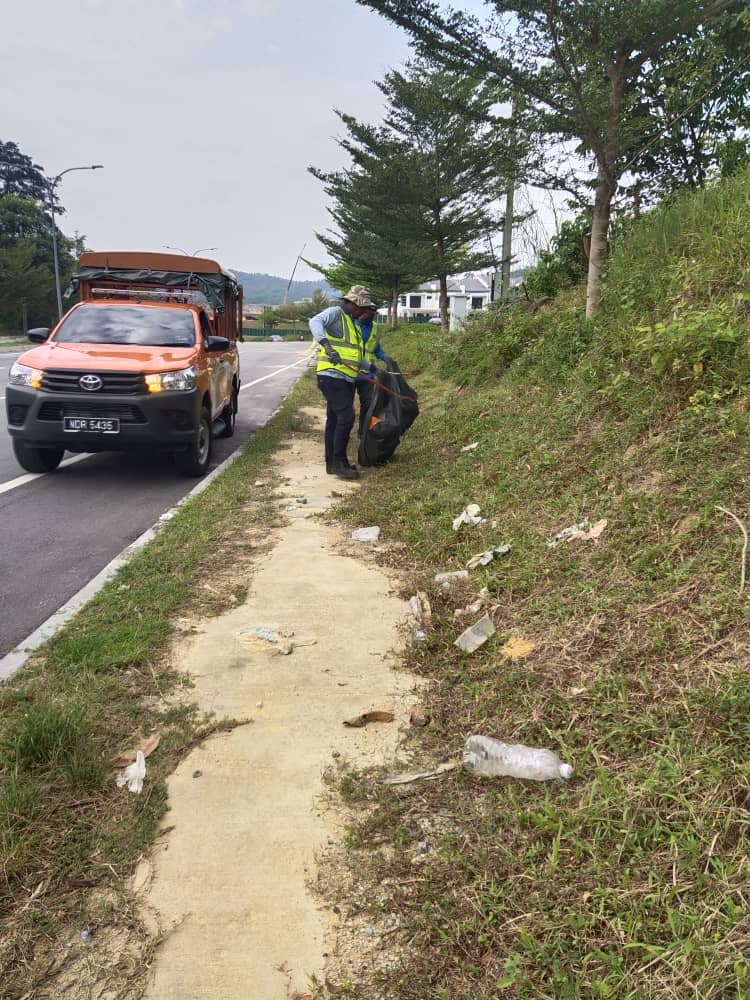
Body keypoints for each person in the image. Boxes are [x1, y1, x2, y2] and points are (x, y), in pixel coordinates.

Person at [308, 285, 377, 480]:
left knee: (335, 419)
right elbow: (315, 321)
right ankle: (339, 462)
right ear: (354, 303)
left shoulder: (352, 323)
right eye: (362, 308)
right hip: (332, 375)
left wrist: (373, 368)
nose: (363, 312)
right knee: (346, 417)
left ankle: (333, 463)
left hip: (345, 377)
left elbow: (354, 355)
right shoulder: (335, 313)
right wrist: (327, 347)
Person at [355, 303, 387, 436]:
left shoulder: (375, 327)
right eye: (368, 314)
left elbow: (376, 348)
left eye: (373, 315)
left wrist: (385, 357)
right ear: (360, 311)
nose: (370, 318)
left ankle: (363, 432)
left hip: (367, 375)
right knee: (345, 406)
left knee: (368, 403)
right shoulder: (351, 325)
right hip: (349, 372)